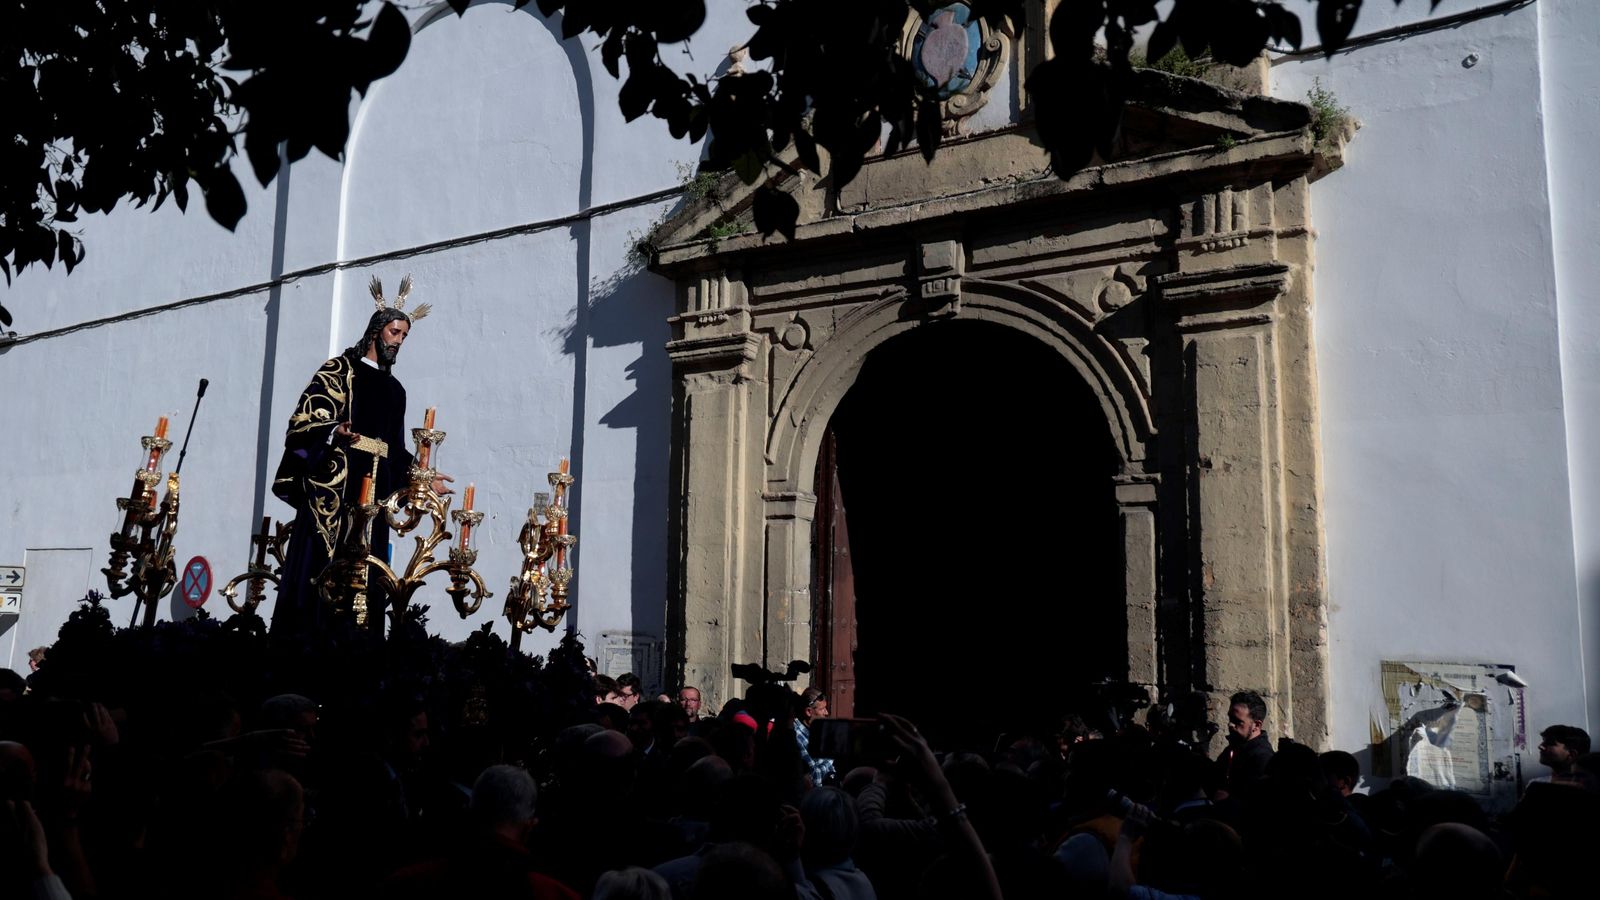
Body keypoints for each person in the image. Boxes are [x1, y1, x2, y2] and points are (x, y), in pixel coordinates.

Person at [270, 277, 451, 634]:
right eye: (395, 332)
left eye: (404, 336)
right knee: (322, 569)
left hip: (376, 498)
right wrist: (334, 431)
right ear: (375, 332)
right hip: (337, 490)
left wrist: (423, 477)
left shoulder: (396, 390)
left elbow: (394, 449)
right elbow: (303, 421)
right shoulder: (340, 370)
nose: (398, 341)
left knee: (371, 574)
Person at [1213, 690, 1273, 802]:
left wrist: (1227, 800)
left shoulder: (1263, 758)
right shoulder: (1236, 746)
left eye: (1238, 721)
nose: (1231, 725)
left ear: (1257, 725)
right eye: (1230, 719)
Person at [794, 687, 836, 788]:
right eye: (822, 709)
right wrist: (832, 758)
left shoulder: (816, 730)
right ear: (809, 712)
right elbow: (814, 777)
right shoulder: (798, 737)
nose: (826, 713)